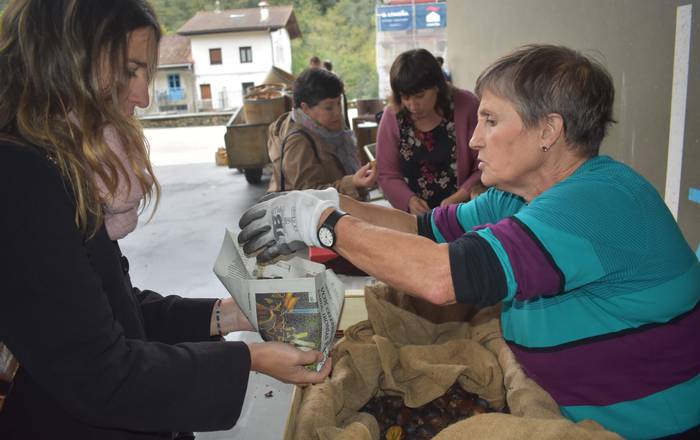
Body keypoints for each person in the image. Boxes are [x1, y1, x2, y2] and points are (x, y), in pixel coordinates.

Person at [238, 44, 700, 439]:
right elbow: (421, 231)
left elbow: (443, 277)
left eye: (491, 121)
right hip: (559, 401)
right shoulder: (517, 196)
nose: (474, 139)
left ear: (549, 131)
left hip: (645, 429)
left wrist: (323, 225)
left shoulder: (596, 203)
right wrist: (327, 202)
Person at [0, 1, 330, 438]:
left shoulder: (61, 161)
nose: (142, 96)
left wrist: (231, 314)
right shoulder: (21, 178)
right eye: (130, 70)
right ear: (67, 58)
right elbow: (101, 374)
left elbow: (114, 309)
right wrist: (249, 359)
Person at [377, 48, 483, 215]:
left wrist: (462, 195)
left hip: (464, 211)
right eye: (405, 97)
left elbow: (486, 164)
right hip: (414, 218)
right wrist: (409, 200)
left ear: (437, 86)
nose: (412, 105)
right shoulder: (392, 116)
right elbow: (387, 174)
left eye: (419, 95)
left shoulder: (467, 106)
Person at [267, 68, 376, 199]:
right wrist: (352, 183)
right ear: (305, 108)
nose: (337, 112)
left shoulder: (326, 127)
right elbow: (309, 197)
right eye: (328, 107)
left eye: (338, 103)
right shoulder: (298, 142)